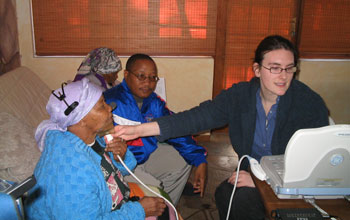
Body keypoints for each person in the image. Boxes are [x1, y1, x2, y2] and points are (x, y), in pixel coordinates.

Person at [111, 35, 330, 220]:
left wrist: (262, 181)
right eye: (274, 68)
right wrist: (140, 130)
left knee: (242, 197)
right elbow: (196, 118)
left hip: (292, 183)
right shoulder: (240, 96)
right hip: (253, 172)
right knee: (227, 193)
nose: (283, 76)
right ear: (257, 69)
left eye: (289, 68)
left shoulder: (308, 104)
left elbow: (314, 165)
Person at [25, 78, 166, 220]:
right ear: (81, 119)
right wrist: (139, 211)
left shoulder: (92, 138)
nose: (110, 107)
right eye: (101, 106)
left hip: (117, 204)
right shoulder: (70, 172)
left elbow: (108, 174)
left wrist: (120, 158)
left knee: (165, 211)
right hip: (117, 212)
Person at [103, 53, 208, 205]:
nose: (148, 83)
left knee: (181, 162)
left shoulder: (154, 102)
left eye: (153, 78)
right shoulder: (110, 102)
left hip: (146, 155)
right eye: (141, 76)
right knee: (155, 188)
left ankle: (166, 209)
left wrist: (199, 159)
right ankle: (151, 205)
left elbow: (174, 129)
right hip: (121, 164)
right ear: (126, 75)